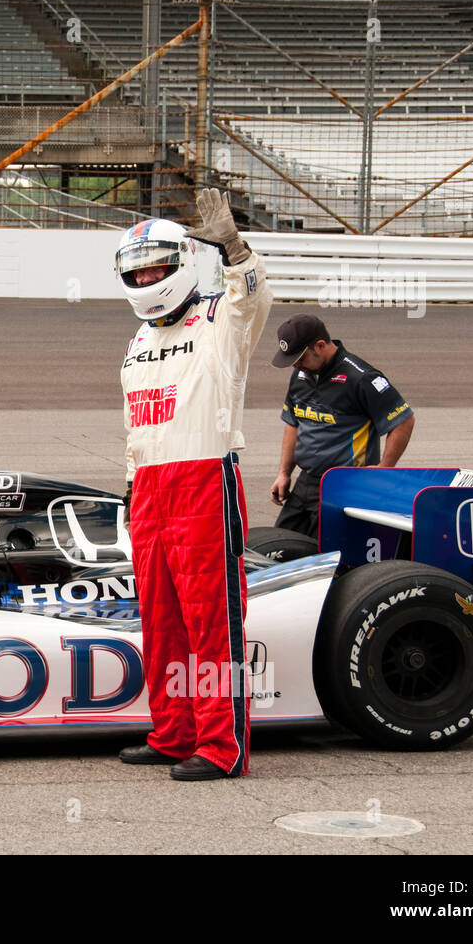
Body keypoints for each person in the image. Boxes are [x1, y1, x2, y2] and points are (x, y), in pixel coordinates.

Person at [114, 190, 273, 781]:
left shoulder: (219, 318)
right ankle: (173, 732)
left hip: (207, 478)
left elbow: (255, 299)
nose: (147, 276)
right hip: (151, 489)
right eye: (137, 270)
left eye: (155, 266)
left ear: (181, 264)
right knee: (160, 620)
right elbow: (136, 426)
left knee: (212, 621)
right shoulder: (135, 345)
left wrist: (233, 249)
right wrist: (131, 487)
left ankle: (220, 746)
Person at [269, 314, 415, 539]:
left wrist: (386, 468)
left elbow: (404, 420)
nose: (296, 365)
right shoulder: (300, 375)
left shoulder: (361, 377)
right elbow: (293, 423)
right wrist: (284, 473)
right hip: (305, 481)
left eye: (300, 358)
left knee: (325, 557)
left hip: (344, 484)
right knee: (278, 549)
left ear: (320, 345)